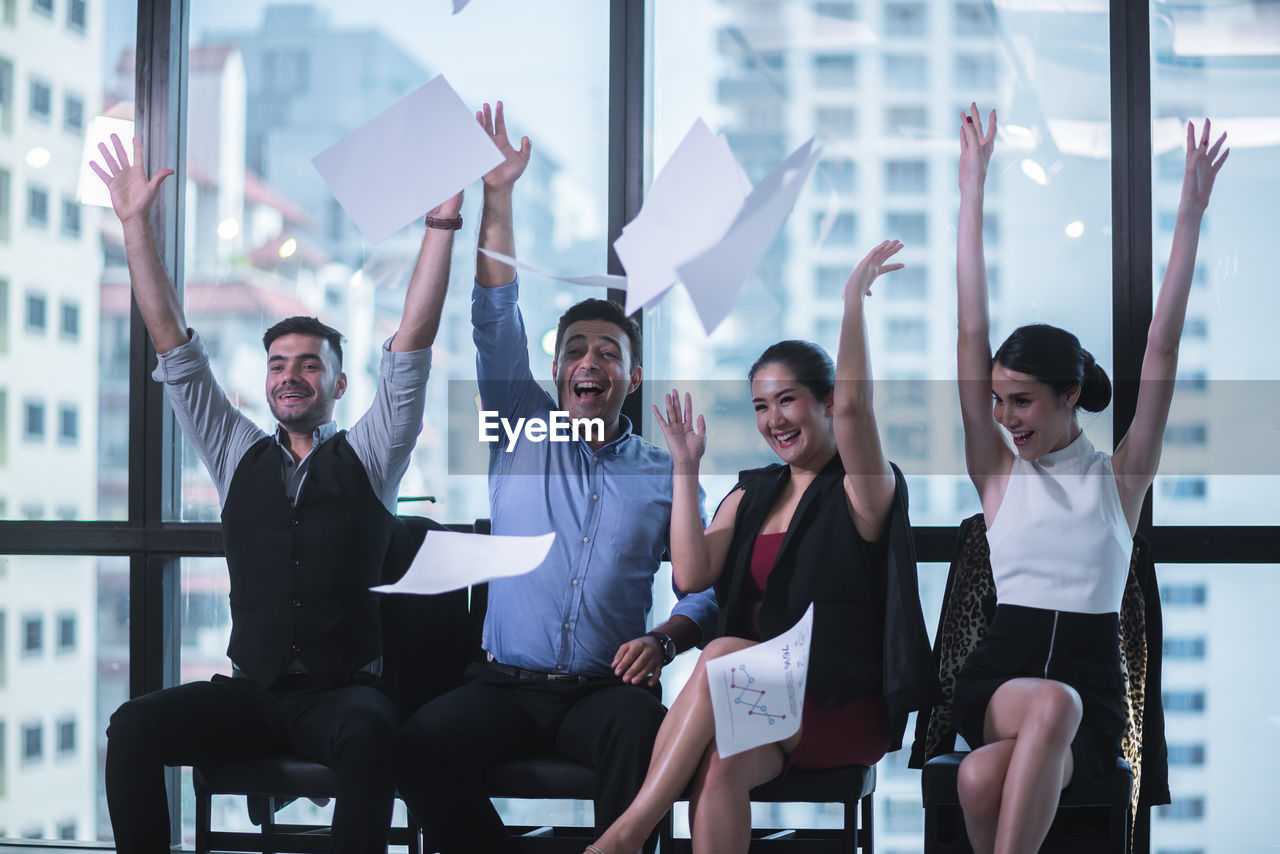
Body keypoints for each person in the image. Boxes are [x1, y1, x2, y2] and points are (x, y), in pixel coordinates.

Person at [92, 133, 461, 854]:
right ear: (265, 380)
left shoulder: (370, 452)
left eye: (309, 366)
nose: (291, 375)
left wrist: (440, 226)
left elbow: (411, 346)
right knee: (132, 727)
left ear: (338, 384)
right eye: (278, 365)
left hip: (343, 694)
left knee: (371, 733)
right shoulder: (234, 452)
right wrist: (135, 224)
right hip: (251, 693)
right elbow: (174, 347)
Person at [393, 101, 717, 854]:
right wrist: (499, 196)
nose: (589, 363)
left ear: (631, 378)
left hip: (607, 695)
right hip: (502, 687)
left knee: (643, 737)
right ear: (554, 369)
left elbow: (704, 586)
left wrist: (667, 641)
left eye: (609, 353)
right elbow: (492, 315)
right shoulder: (518, 425)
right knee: (418, 743)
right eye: (576, 350)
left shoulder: (666, 469)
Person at [585, 241, 939, 854]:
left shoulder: (865, 488)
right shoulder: (751, 492)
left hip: (837, 702)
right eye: (760, 406)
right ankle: (630, 835)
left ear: (825, 403)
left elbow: (858, 408)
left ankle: (627, 833)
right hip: (755, 697)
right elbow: (693, 578)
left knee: (722, 646)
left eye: (787, 400)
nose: (773, 419)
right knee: (719, 765)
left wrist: (853, 299)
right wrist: (685, 467)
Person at [950, 105, 1228, 854]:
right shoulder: (997, 475)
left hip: (1091, 692)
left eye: (1024, 402)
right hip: (1003, 677)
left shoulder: (1121, 479)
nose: (1007, 418)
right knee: (1042, 710)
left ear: (1069, 396)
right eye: (999, 401)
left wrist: (1189, 216)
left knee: (979, 781)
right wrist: (971, 188)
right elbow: (970, 332)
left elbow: (1161, 347)